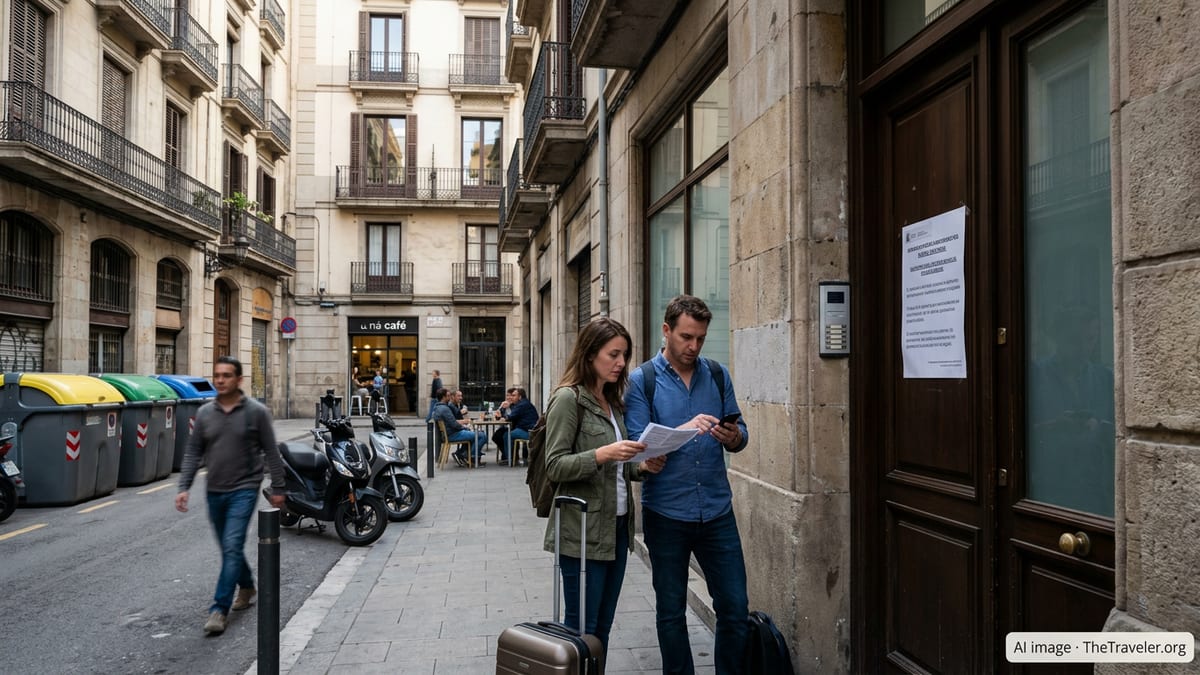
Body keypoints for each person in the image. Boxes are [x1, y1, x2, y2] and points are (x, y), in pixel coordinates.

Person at [624, 295, 750, 674]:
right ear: (667, 331)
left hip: (716, 509)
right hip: (667, 513)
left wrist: (733, 437)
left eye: (700, 338)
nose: (693, 346)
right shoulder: (642, 380)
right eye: (685, 337)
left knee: (734, 607)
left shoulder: (717, 374)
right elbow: (635, 443)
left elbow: (741, 433)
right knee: (670, 612)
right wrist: (657, 453)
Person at [542, 317, 666, 658]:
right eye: (614, 354)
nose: (621, 363)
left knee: (603, 627)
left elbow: (616, 471)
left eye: (624, 355)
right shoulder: (569, 399)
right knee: (582, 628)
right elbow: (555, 466)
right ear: (590, 354)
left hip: (617, 527)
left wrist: (642, 467)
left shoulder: (613, 401)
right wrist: (601, 454)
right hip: (582, 531)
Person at [175, 356, 286, 635]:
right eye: (217, 375)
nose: (220, 380)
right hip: (215, 490)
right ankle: (247, 586)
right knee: (229, 549)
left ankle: (218, 610)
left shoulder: (256, 413)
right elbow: (193, 452)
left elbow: (271, 451)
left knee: (233, 545)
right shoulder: (204, 414)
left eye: (226, 375)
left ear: (239, 380)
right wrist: (183, 487)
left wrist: (280, 488)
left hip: (244, 488)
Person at [430, 386, 487, 466]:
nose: (450, 397)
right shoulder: (445, 409)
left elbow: (453, 422)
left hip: (449, 433)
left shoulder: (438, 407)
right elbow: (454, 424)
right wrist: (465, 428)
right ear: (444, 397)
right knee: (482, 436)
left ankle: (462, 454)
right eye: (448, 395)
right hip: (453, 434)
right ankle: (472, 458)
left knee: (475, 434)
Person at [492, 387, 538, 464]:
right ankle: (510, 457)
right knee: (498, 435)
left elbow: (510, 417)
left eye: (513, 396)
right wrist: (500, 411)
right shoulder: (523, 403)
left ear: (519, 397)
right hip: (525, 428)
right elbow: (502, 415)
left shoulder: (521, 405)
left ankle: (509, 459)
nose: (511, 398)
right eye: (509, 395)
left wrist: (503, 418)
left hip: (528, 431)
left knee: (507, 435)